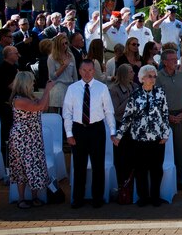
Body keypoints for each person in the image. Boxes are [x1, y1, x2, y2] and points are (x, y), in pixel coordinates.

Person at [113, 65, 170, 207]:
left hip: (157, 138)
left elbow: (165, 115)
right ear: (142, 78)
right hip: (138, 139)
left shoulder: (160, 93)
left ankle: (155, 196)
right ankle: (143, 197)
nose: (153, 79)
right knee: (140, 169)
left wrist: (165, 133)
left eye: (154, 76)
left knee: (157, 169)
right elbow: (127, 117)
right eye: (150, 76)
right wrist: (119, 136)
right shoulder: (135, 95)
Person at [62, 59, 116, 208]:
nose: (87, 74)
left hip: (96, 129)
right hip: (78, 129)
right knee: (79, 166)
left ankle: (97, 198)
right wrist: (69, 134)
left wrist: (112, 131)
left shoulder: (102, 88)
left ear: (94, 71)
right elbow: (67, 113)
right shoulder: (72, 89)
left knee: (98, 165)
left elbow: (109, 111)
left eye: (90, 70)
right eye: (84, 70)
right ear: (79, 71)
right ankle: (78, 198)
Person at [9, 71, 54, 209]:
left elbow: (44, 107)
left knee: (35, 166)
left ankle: (34, 197)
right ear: (26, 83)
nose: (34, 82)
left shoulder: (29, 97)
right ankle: (21, 199)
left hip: (33, 137)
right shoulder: (19, 100)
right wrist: (47, 90)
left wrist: (47, 93)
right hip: (23, 138)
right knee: (22, 168)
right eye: (32, 81)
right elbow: (39, 107)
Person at [155, 49, 182, 190]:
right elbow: (157, 100)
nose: (175, 62)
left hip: (181, 115)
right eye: (171, 59)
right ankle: (163, 181)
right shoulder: (158, 77)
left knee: (178, 147)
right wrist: (167, 116)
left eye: (176, 59)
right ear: (164, 62)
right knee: (163, 149)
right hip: (164, 116)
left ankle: (179, 179)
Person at [109, 63, 135, 187]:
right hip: (121, 126)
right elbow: (115, 110)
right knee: (121, 156)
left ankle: (131, 181)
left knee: (132, 155)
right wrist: (130, 99)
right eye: (131, 72)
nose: (134, 73)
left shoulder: (135, 86)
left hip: (134, 126)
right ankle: (121, 183)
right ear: (124, 74)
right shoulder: (114, 90)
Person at [47, 33, 77, 113]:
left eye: (66, 43)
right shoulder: (52, 57)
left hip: (70, 87)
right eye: (62, 44)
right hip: (58, 87)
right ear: (58, 45)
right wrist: (64, 66)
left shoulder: (70, 56)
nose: (64, 46)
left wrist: (76, 87)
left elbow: (75, 74)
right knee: (55, 115)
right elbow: (52, 76)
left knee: (69, 114)